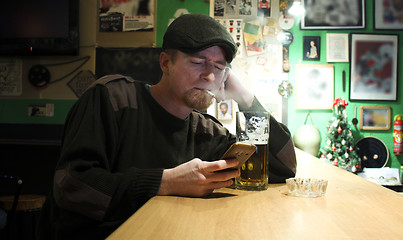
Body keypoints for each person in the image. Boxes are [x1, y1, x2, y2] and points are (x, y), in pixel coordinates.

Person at [36, 13, 296, 239]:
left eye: (219, 67)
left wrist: (246, 98)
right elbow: (71, 185)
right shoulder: (111, 98)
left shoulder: (207, 131)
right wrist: (166, 182)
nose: (209, 76)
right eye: (198, 62)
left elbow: (283, 165)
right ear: (165, 63)